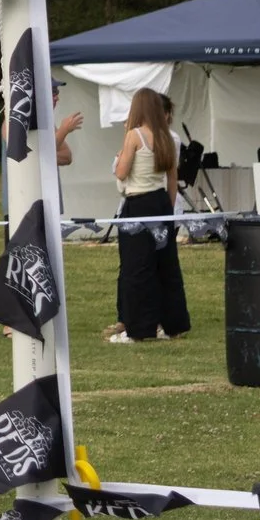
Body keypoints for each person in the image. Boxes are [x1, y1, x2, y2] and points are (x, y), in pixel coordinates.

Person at [110, 89, 189, 345]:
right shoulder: (167, 137)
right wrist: (169, 210)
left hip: (139, 203)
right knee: (165, 266)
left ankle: (138, 328)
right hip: (161, 202)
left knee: (137, 268)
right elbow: (173, 179)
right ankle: (171, 325)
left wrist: (123, 149)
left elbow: (121, 172)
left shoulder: (134, 135)